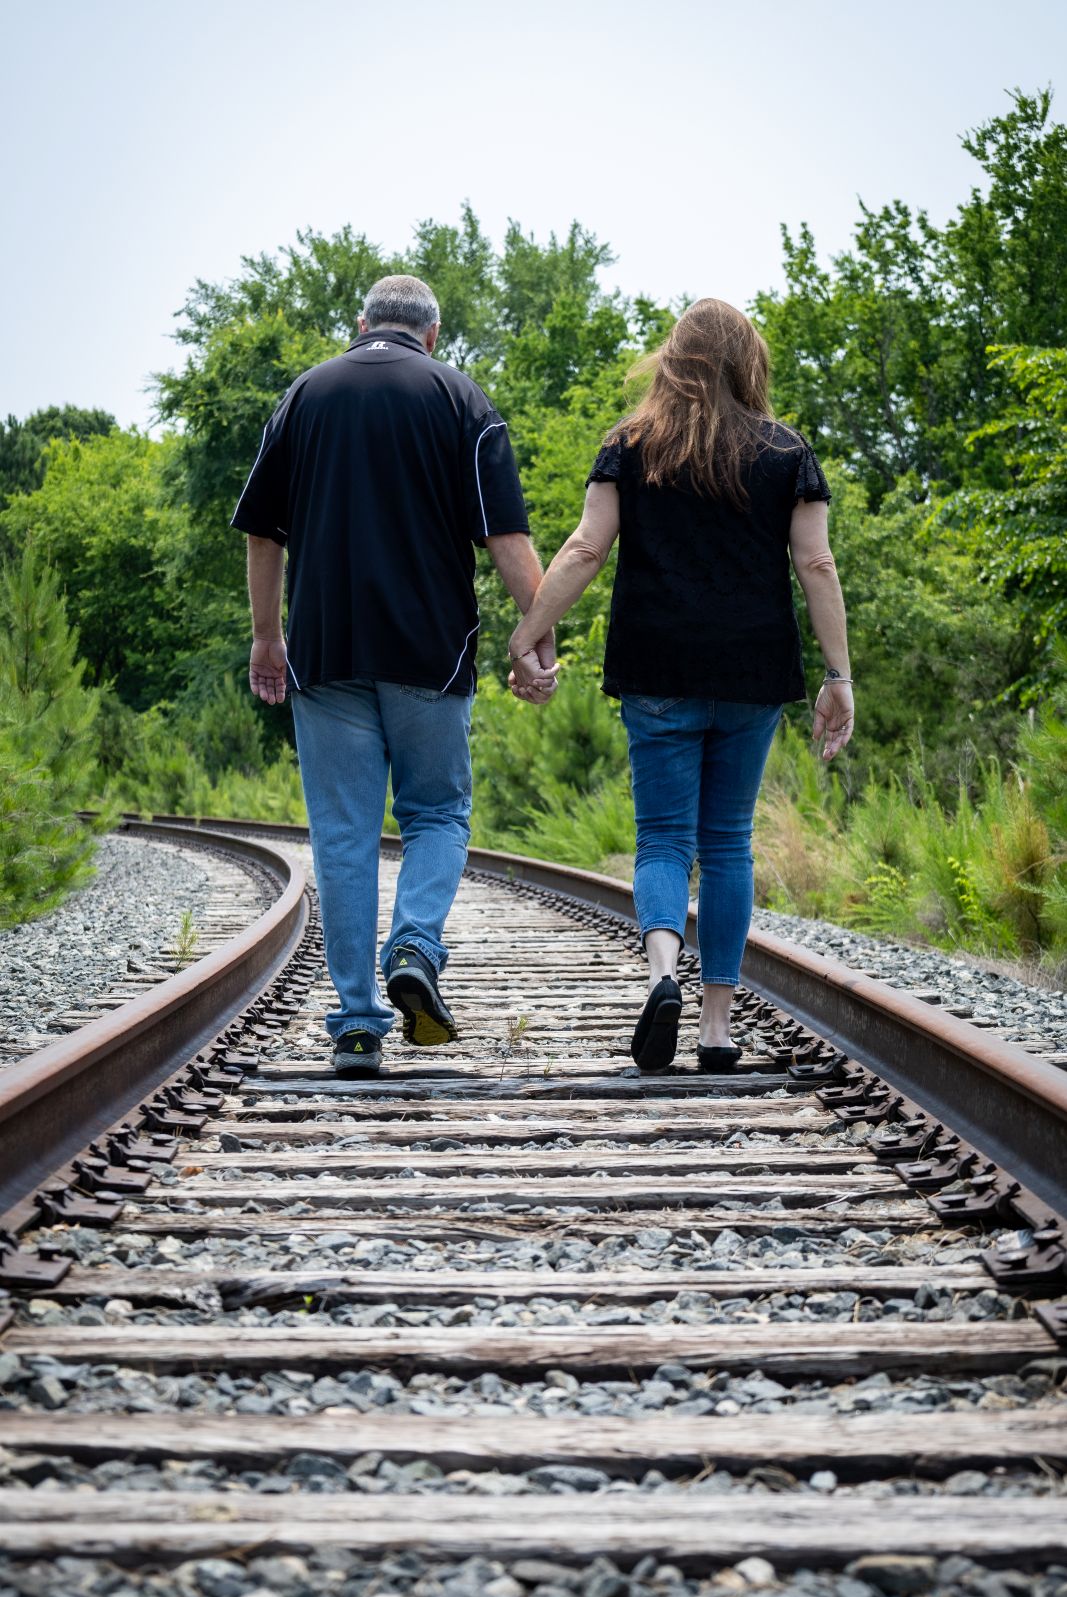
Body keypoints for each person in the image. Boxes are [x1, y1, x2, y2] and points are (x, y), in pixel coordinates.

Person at [507, 298, 853, 1073]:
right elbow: (816, 565)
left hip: (657, 668)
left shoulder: (631, 444)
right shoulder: (786, 452)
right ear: (747, 363)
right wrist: (838, 674)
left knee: (662, 839)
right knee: (727, 842)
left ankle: (663, 974)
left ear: (673, 361)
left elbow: (586, 547)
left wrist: (529, 630)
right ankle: (715, 1031)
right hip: (750, 671)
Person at [233, 274, 557, 1078]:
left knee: (342, 838)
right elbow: (507, 538)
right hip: (430, 654)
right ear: (434, 334)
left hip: (326, 652)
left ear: (360, 323)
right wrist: (537, 638)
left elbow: (262, 536)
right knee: (438, 815)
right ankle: (414, 942)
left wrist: (267, 639)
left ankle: (353, 1025)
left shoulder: (301, 398)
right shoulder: (462, 400)